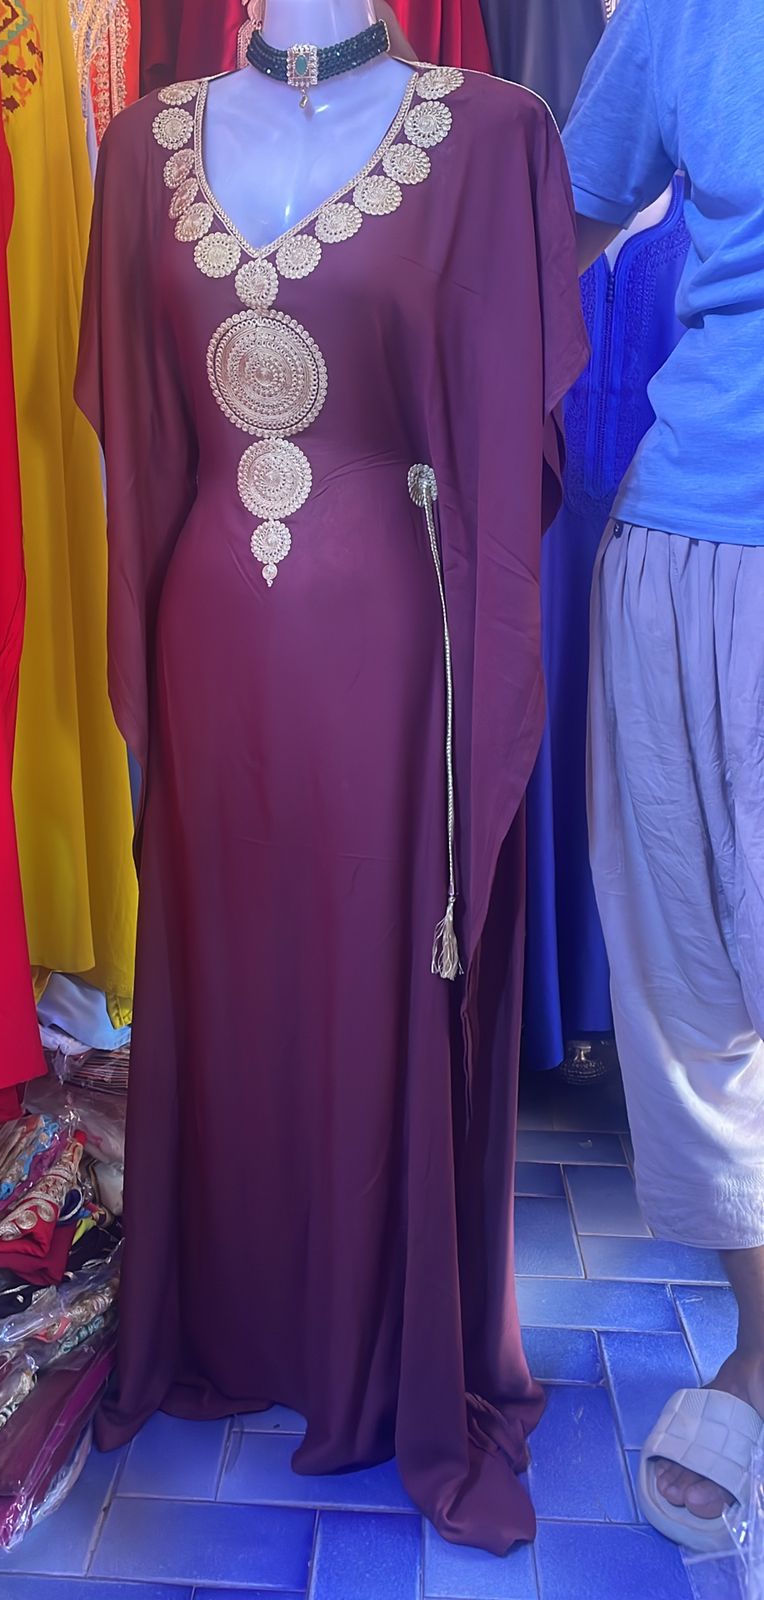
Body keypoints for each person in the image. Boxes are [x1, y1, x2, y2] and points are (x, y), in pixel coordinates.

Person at [562, 0, 764, 1552]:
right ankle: (763, 1349)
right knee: (698, 1005)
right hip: (692, 545)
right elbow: (554, 225)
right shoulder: (690, 12)